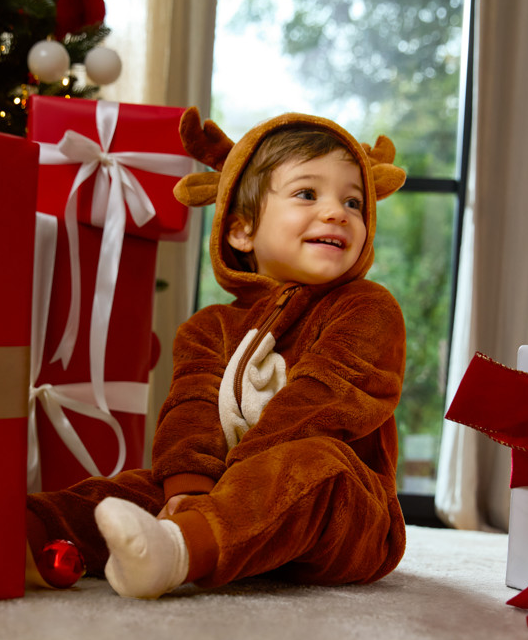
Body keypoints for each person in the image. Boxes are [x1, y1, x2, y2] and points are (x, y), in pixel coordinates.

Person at [26, 108, 408, 599]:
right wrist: (188, 490)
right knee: (118, 491)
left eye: (354, 202)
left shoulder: (368, 308)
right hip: (221, 491)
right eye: (307, 194)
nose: (338, 212)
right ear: (240, 231)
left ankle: (177, 552)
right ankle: (19, 534)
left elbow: (324, 403)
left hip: (345, 520)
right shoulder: (209, 327)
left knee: (317, 461)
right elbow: (190, 411)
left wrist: (231, 490)